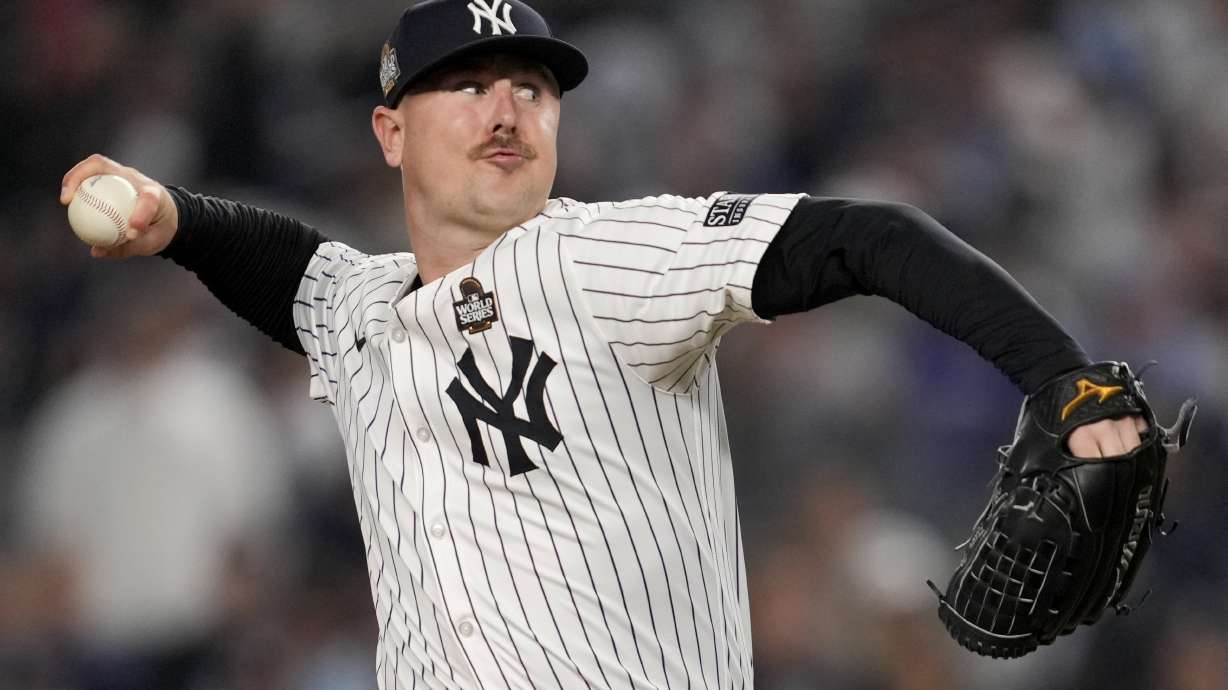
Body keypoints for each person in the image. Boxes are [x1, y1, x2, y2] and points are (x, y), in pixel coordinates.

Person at [59, 0, 1152, 687]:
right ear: (389, 131)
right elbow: (287, 267)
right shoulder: (366, 310)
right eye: (468, 85)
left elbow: (864, 236)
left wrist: (1056, 373)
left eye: (531, 88)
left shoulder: (603, 260)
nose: (507, 108)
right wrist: (173, 217)